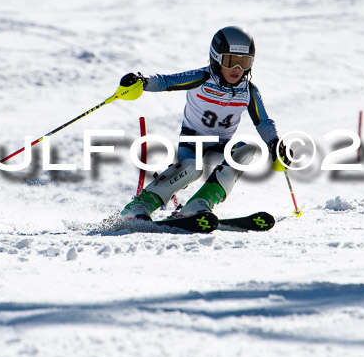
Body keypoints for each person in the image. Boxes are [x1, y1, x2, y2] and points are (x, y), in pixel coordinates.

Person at [118, 26, 290, 221]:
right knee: (192, 167)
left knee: (247, 150)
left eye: (244, 62)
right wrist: (143, 81)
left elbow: (263, 122)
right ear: (216, 58)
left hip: (220, 145)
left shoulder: (248, 91)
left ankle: (200, 203)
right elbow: (167, 82)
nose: (237, 69)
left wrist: (274, 143)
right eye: (231, 61)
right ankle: (140, 205)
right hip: (193, 142)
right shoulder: (202, 78)